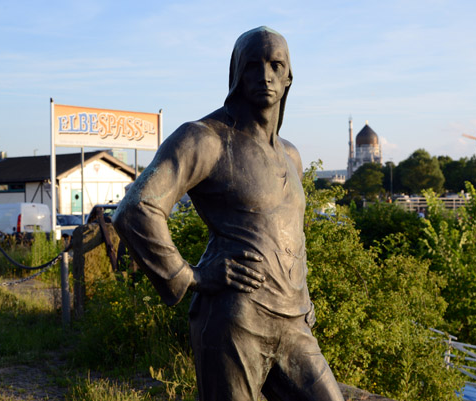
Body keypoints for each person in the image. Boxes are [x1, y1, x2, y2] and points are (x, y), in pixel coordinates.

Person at [113, 26, 344, 401]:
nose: (264, 75)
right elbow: (136, 209)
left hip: (295, 322)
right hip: (236, 320)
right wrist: (190, 275)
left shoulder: (292, 156)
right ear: (236, 73)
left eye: (275, 64)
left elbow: (287, 234)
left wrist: (303, 301)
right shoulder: (205, 138)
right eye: (252, 65)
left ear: (288, 78)